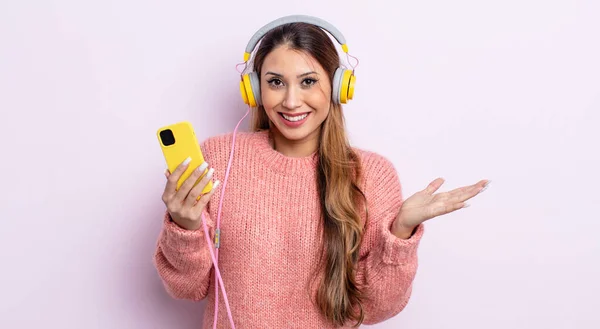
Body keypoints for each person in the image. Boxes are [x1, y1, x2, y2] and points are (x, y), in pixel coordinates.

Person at [153, 17, 489, 329]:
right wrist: (186, 226)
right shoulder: (219, 159)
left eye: (308, 81)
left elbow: (375, 308)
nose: (291, 101)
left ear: (339, 86)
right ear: (254, 90)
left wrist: (400, 233)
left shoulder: (372, 175)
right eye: (275, 82)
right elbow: (186, 288)